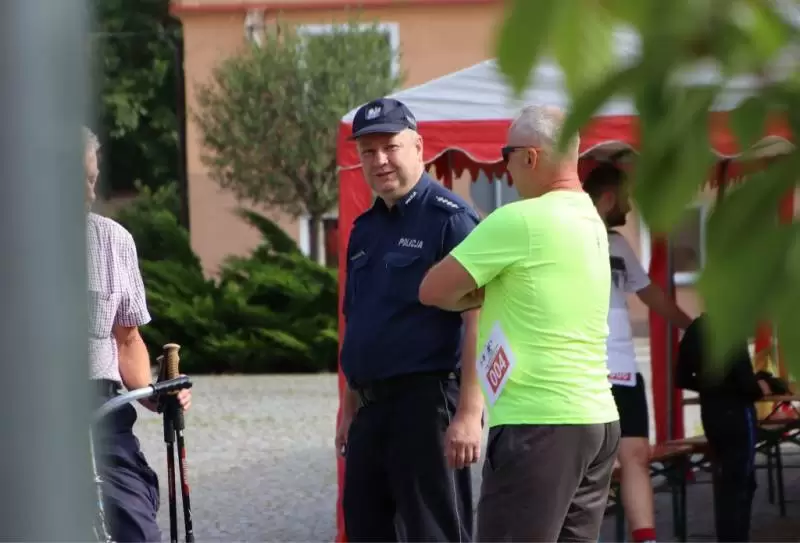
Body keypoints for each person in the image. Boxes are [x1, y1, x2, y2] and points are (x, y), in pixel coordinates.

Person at [419, 105, 620, 542]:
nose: (504, 171)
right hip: (597, 418)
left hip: (539, 422)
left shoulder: (520, 220)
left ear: (530, 157)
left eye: (506, 156)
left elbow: (432, 290)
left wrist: (483, 290)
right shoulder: (590, 219)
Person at [336, 98, 483, 542]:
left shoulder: (450, 220)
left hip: (426, 405)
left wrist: (470, 412)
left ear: (418, 147)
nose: (379, 160)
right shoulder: (365, 229)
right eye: (368, 151)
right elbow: (357, 320)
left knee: (433, 534)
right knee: (366, 531)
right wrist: (347, 407)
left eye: (390, 147)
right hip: (370, 409)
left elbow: (480, 319)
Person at [85, 127, 192, 542]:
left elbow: (127, 340)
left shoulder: (113, 242)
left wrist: (156, 394)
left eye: (91, 179)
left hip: (102, 415)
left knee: (138, 528)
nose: (87, 193)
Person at [582, 162, 693, 543]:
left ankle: (646, 539)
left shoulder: (618, 244)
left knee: (636, 457)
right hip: (581, 370)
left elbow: (651, 295)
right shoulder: (565, 237)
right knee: (583, 465)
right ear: (608, 198)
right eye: (625, 199)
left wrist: (692, 326)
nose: (629, 208)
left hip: (624, 371)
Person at [676, 313, 787, 542]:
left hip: (711, 414)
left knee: (725, 481)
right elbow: (747, 386)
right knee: (741, 484)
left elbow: (681, 378)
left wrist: (711, 386)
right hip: (737, 415)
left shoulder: (696, 328)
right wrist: (763, 385)